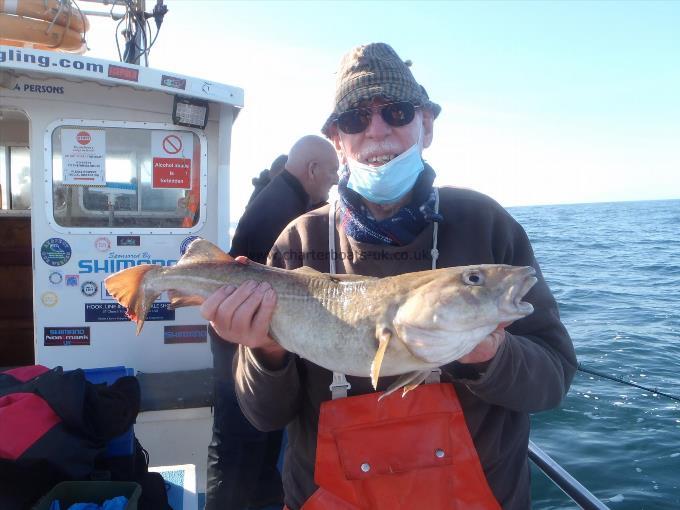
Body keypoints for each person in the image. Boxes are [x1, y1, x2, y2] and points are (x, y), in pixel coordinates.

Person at [202, 43, 577, 510]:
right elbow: (264, 416)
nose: (377, 131)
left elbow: (553, 379)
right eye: (356, 119)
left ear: (427, 125)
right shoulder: (297, 243)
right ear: (337, 140)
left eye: (397, 112)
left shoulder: (488, 226)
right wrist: (265, 350)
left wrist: (488, 352)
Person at [206, 135, 339, 510]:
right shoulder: (286, 213)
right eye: (331, 175)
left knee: (260, 446)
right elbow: (287, 292)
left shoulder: (283, 196)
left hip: (248, 338)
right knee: (236, 449)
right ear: (312, 170)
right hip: (239, 341)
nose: (333, 184)